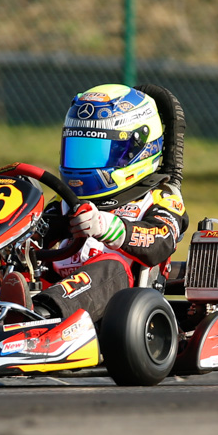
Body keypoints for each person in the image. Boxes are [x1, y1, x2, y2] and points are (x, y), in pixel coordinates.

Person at [21, 83, 189, 321]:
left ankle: (40, 316)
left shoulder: (160, 197)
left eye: (95, 152)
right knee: (6, 256)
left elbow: (160, 240)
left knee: (111, 265)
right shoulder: (65, 200)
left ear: (135, 149)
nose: (82, 162)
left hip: (119, 312)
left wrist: (110, 227)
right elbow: (38, 238)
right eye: (77, 151)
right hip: (50, 285)